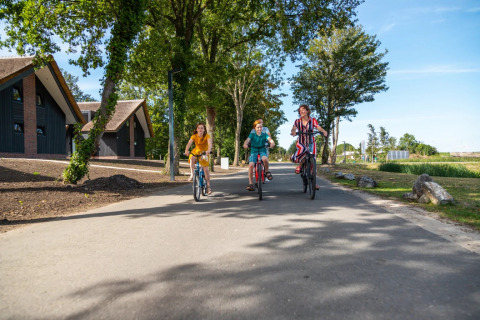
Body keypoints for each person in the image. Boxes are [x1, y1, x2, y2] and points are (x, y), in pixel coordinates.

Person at [290, 104, 327, 190]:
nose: (301, 111)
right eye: (300, 110)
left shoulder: (313, 120)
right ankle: (299, 164)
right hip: (301, 141)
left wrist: (323, 131)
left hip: (311, 142)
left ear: (307, 111)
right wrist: (293, 132)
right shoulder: (297, 121)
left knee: (313, 160)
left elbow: (318, 127)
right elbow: (294, 128)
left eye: (303, 110)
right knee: (303, 149)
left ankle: (313, 183)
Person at [243, 119, 275, 191]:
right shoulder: (252, 134)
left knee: (265, 159)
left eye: (260, 127)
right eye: (258, 127)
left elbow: (270, 139)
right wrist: (245, 144)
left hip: (262, 150)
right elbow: (247, 140)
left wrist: (272, 143)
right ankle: (251, 184)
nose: (259, 129)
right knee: (251, 165)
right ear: (255, 128)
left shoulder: (264, 135)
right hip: (253, 151)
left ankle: (266, 172)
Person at [184, 122, 213, 195]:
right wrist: (186, 150)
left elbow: (210, 144)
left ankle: (209, 186)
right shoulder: (194, 136)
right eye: (199, 128)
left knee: (205, 169)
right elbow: (189, 143)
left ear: (204, 130)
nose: (200, 129)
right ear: (196, 129)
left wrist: (208, 150)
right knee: (192, 158)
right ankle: (192, 174)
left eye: (202, 128)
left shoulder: (207, 136)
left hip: (204, 152)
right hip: (196, 150)